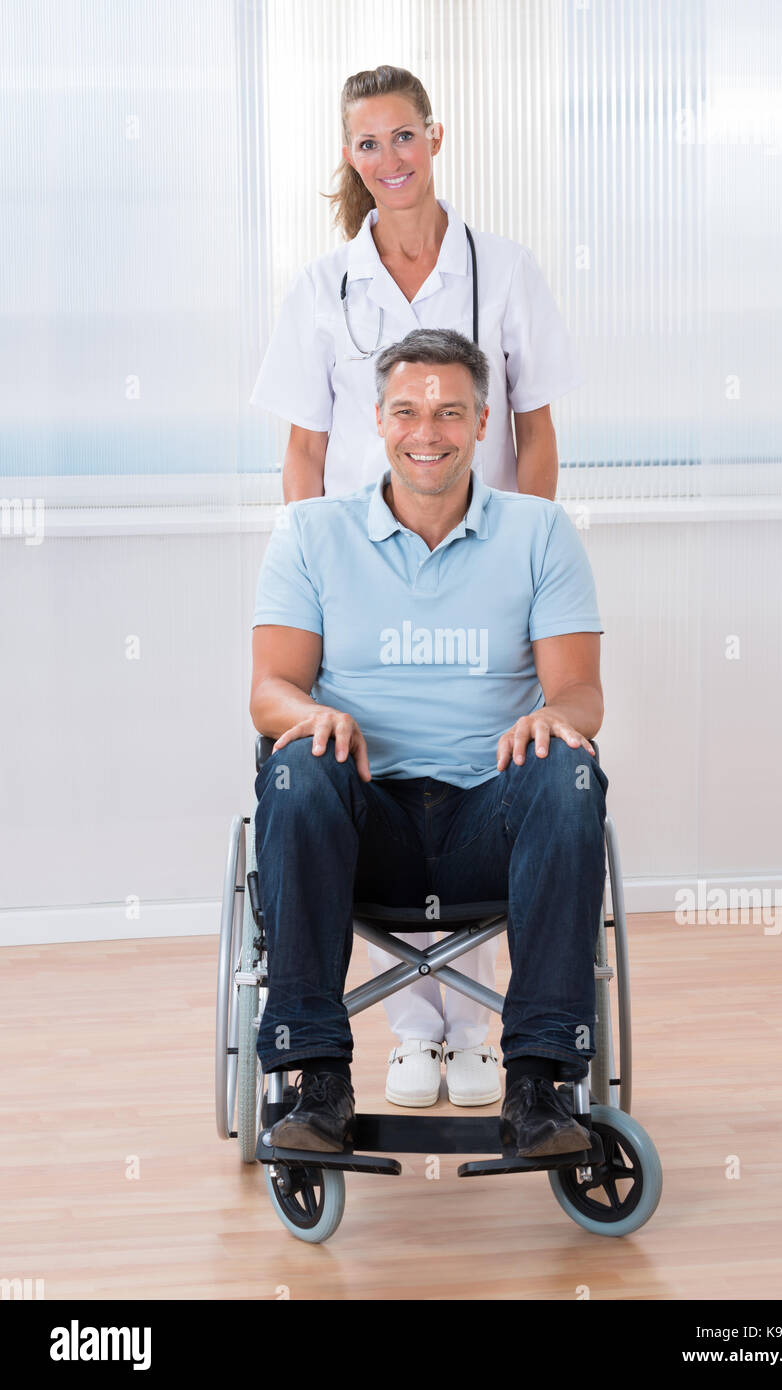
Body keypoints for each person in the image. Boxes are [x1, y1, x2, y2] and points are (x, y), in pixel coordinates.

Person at [250, 65, 584, 1110]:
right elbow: (305, 450)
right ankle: (401, 1027)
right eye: (367, 146)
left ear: (434, 140)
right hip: (357, 574)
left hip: (474, 552)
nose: (389, 161)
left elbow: (533, 428)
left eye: (404, 138)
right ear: (349, 160)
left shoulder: (503, 269)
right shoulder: (323, 288)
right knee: (361, 748)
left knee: (495, 747)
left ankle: (486, 1036)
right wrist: (309, 557)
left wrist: (516, 556)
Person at [249, 328, 608, 1158]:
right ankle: (318, 1078)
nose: (427, 430)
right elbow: (269, 690)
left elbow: (581, 692)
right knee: (296, 771)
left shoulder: (539, 532)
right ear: (376, 420)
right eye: (407, 410)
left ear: (484, 422)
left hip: (493, 817)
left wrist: (557, 720)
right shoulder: (310, 533)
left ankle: (539, 1085)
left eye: (450, 411)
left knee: (570, 772)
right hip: (360, 818)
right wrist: (309, 718)